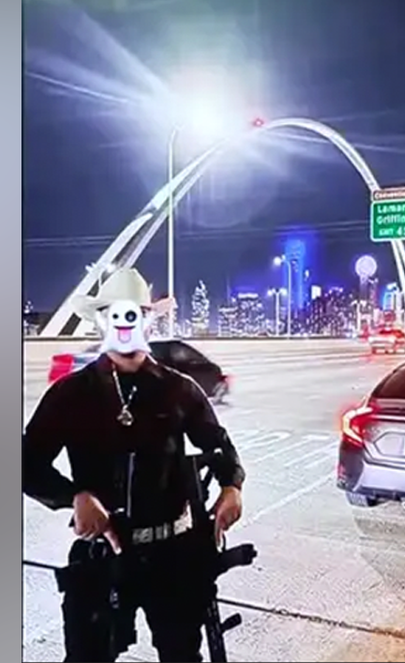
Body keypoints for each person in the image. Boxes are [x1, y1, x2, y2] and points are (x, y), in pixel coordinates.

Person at [23, 268, 245, 662]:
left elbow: (220, 447)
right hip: (103, 555)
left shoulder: (178, 388)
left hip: (174, 556)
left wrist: (232, 487)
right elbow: (26, 464)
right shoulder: (70, 394)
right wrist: (73, 496)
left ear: (148, 320)